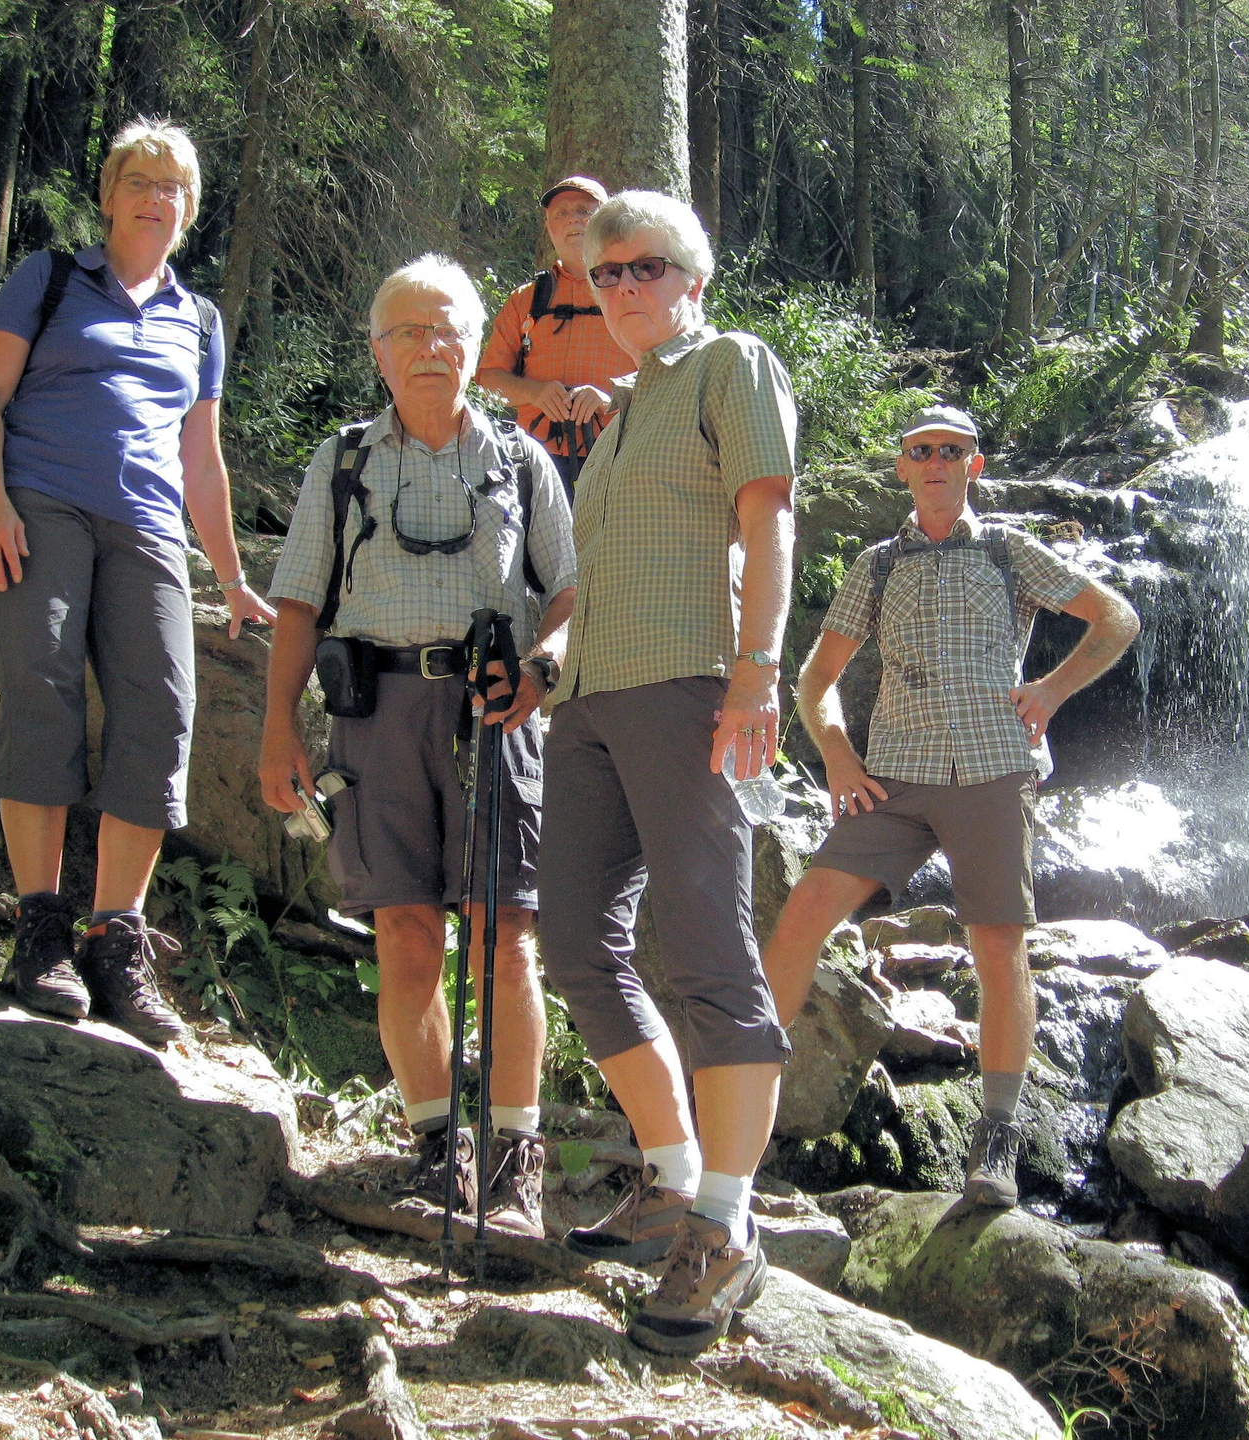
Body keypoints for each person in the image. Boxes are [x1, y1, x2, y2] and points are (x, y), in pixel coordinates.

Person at [259, 254, 577, 1240]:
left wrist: (544, 670)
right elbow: (301, 599)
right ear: (378, 352)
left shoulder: (522, 462)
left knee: (504, 935)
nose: (431, 347)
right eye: (410, 332)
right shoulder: (342, 460)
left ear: (478, 347)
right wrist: (277, 725)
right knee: (404, 932)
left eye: (449, 330)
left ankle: (515, 1163)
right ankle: (443, 1147)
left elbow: (567, 591)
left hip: (496, 714)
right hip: (374, 713)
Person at [534, 191, 796, 1356]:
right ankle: (675, 1176)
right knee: (577, 943)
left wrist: (759, 670)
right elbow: (600, 573)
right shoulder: (622, 411)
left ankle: (730, 1230)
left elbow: (771, 517)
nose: (627, 286)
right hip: (589, 699)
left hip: (692, 680)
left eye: (648, 267)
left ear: (692, 277)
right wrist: (546, 661)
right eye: (610, 274)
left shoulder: (727, 363)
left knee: (705, 952)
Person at [761, 403, 1139, 1210]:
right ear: (902, 467)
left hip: (993, 773)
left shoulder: (1009, 553)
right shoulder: (877, 565)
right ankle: (741, 1101)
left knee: (998, 947)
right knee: (803, 913)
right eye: (921, 450)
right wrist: (836, 754)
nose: (935, 462)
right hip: (892, 780)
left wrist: (1052, 690)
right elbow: (815, 682)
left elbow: (1118, 617)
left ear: (975, 465)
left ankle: (995, 1138)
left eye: (952, 450)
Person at [0, 118, 273, 1047]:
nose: (155, 198)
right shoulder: (50, 279)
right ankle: (40, 928)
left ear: (189, 210)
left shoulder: (200, 319)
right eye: (139, 180)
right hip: (38, 509)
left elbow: (202, 460)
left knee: (162, 711)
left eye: (173, 187)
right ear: (110, 194)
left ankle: (115, 938)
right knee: (44, 697)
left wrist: (231, 575)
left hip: (147, 529)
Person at [475, 176, 633, 500]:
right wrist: (534, 393)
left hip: (623, 455)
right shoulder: (526, 300)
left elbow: (671, 370)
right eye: (561, 213)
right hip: (534, 461)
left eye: (585, 210)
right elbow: (488, 381)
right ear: (549, 227)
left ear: (607, 222)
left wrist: (612, 396)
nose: (573, 219)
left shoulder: (633, 290)